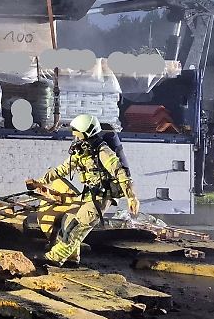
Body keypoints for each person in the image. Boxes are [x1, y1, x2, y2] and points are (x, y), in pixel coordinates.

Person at [26, 113, 139, 266]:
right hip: (88, 195)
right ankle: (72, 258)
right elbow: (62, 169)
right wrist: (41, 182)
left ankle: (54, 258)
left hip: (101, 198)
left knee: (76, 228)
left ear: (87, 133)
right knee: (68, 221)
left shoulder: (103, 152)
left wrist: (131, 197)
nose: (75, 136)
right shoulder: (82, 151)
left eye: (77, 133)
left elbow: (121, 173)